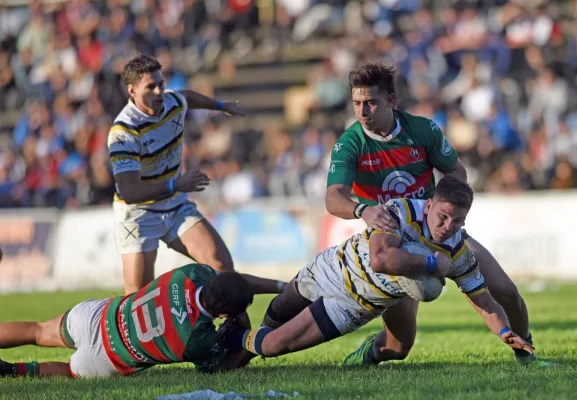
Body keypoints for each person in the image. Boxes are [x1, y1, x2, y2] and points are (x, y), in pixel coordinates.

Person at [324, 61, 549, 366]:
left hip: (439, 232)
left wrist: (443, 208)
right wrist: (363, 210)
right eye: (357, 103)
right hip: (392, 244)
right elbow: (333, 198)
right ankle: (370, 352)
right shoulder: (351, 143)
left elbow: (456, 170)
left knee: (505, 291)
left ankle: (526, 355)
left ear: (392, 101)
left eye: (371, 103)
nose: (362, 112)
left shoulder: (422, 130)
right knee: (398, 347)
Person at [229, 177, 533, 364]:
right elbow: (381, 260)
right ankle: (229, 347)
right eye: (443, 216)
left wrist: (505, 331)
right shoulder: (398, 212)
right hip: (334, 267)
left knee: (272, 345)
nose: (447, 227)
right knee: (281, 306)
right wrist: (431, 264)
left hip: (355, 306)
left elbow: (486, 304)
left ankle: (234, 340)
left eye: (457, 222)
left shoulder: (459, 254)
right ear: (429, 206)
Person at [108, 54, 283, 295]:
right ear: (132, 90)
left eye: (161, 84)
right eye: (151, 87)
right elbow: (129, 192)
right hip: (138, 215)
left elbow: (187, 97)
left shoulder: (171, 103)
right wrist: (175, 184)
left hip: (174, 205)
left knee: (222, 269)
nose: (159, 92)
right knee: (138, 298)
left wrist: (222, 107)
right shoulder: (123, 132)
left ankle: (238, 331)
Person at [0, 263, 282, 378]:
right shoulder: (198, 339)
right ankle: (12, 372)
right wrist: (253, 344)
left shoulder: (192, 273)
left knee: (37, 331)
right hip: (108, 358)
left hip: (99, 317)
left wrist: (282, 286)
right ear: (224, 314)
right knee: (69, 372)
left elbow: (235, 281)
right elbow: (221, 368)